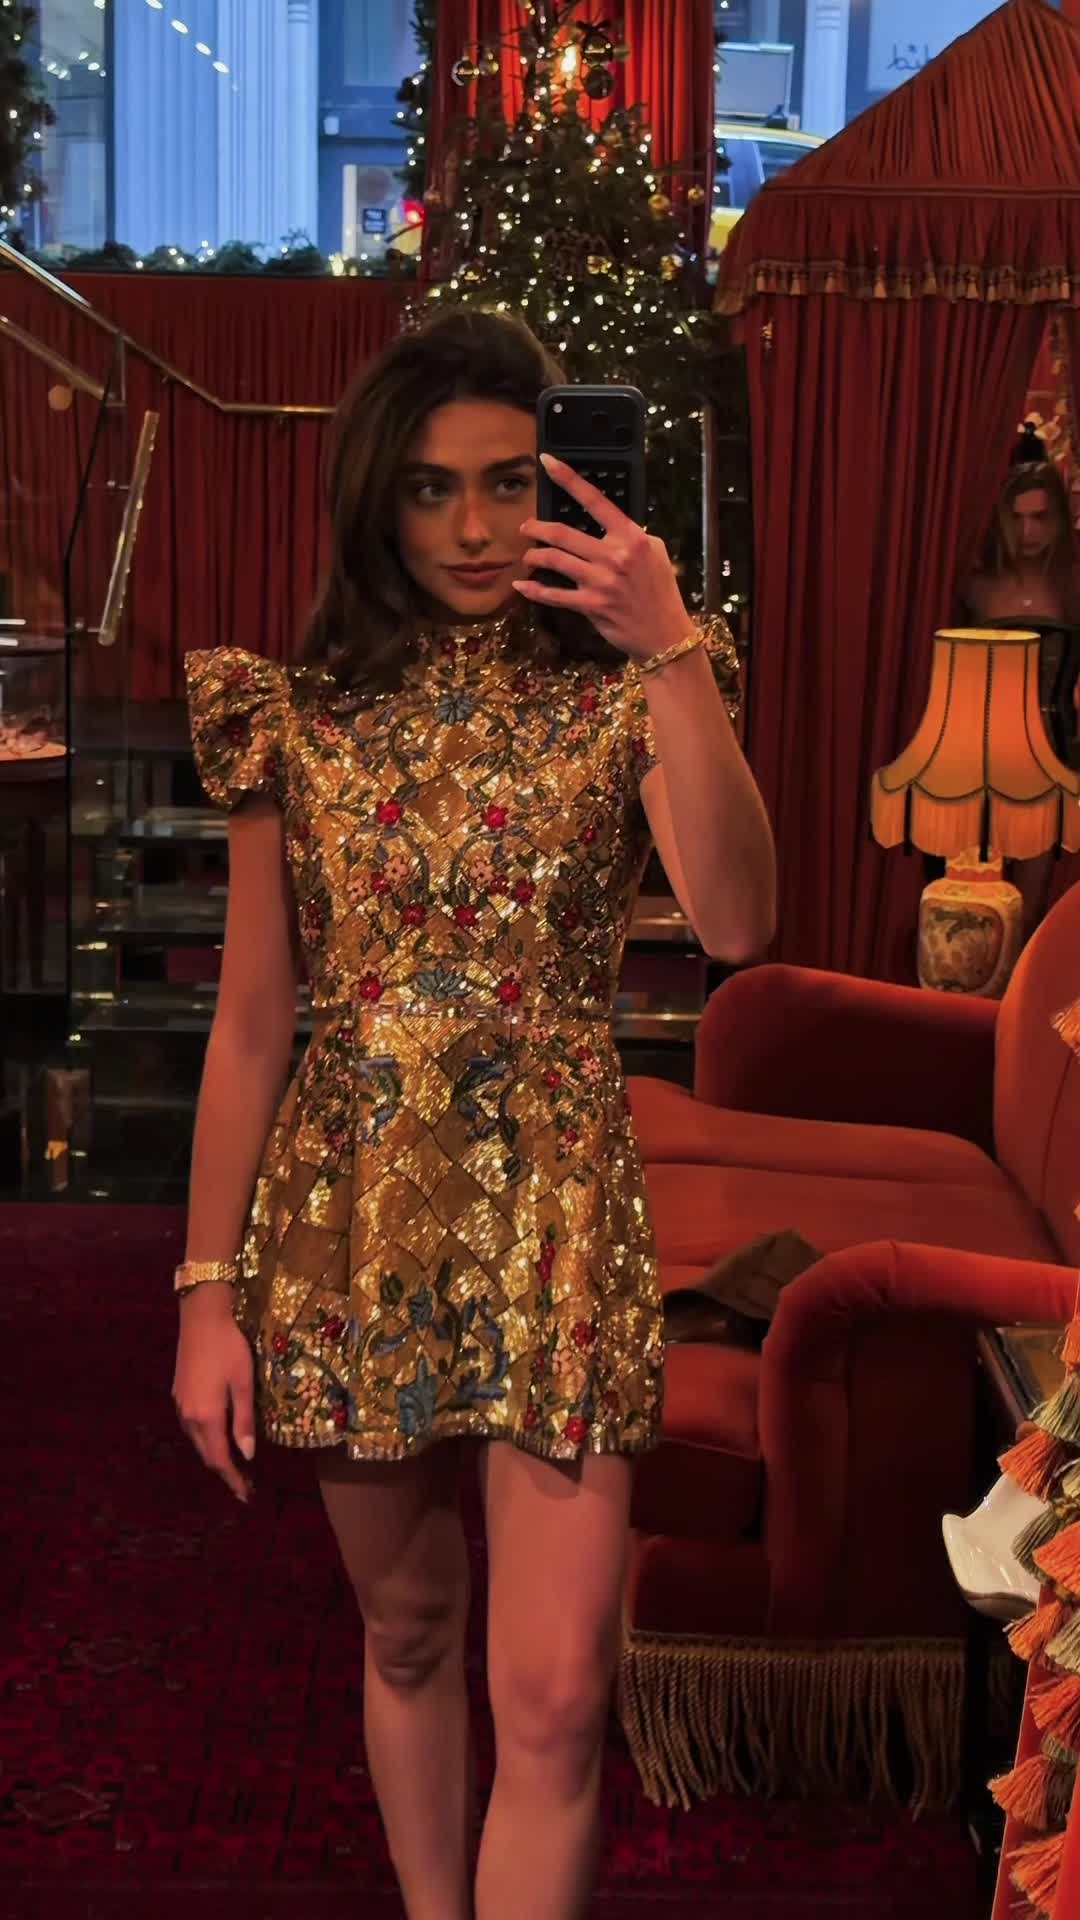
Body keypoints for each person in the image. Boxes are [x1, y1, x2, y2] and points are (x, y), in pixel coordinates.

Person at [171, 307, 776, 1920]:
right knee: (411, 1630)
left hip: (560, 1214)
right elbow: (251, 1024)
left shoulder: (625, 698)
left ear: (563, 486)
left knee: (562, 1696)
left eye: (510, 483)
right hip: (349, 1218)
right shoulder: (293, 715)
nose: (474, 527)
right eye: (432, 488)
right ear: (379, 498)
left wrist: (671, 645)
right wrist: (207, 1295)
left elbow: (738, 921)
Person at [963, 445, 1080, 930]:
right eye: (1017, 518)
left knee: (1031, 895)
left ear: (1058, 521)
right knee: (976, 878)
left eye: (1040, 518)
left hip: (1056, 746)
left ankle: (1022, 973)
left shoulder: (1073, 587)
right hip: (980, 742)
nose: (1028, 532)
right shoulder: (978, 586)